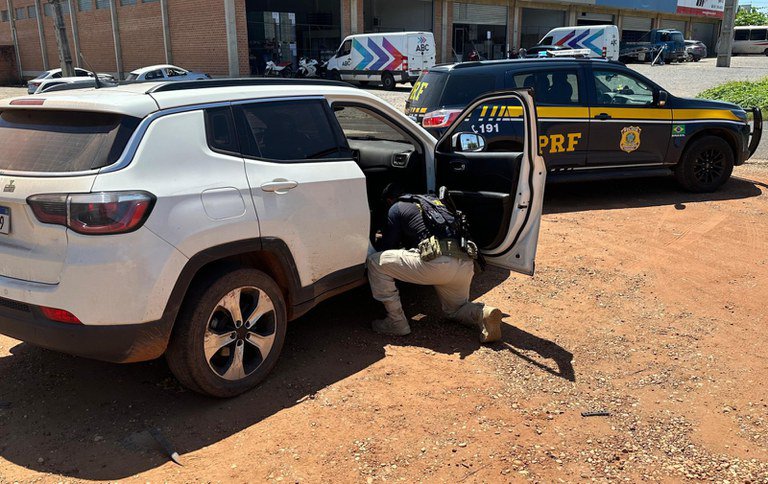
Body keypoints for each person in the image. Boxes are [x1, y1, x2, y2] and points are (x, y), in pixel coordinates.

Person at [366, 185, 504, 343]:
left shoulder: (396, 207)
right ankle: (484, 313)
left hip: (438, 264)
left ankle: (396, 322)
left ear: (389, 200)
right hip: (465, 262)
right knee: (455, 310)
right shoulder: (433, 201)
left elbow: (387, 247)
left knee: (375, 262)